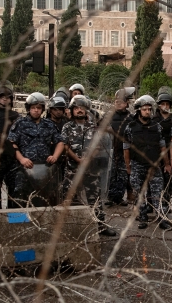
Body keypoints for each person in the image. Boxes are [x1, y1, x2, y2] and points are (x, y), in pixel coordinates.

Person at [61, 95, 117, 236]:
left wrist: (88, 158)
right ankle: (71, 227)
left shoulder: (93, 127)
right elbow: (65, 146)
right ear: (72, 110)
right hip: (73, 170)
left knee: (95, 199)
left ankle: (101, 226)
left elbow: (99, 145)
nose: (80, 110)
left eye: (82, 108)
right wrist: (78, 160)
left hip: (91, 170)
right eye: (77, 108)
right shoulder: (67, 127)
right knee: (70, 198)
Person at [8, 92, 64, 207]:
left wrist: (55, 156)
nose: (36, 110)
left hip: (44, 170)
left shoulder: (49, 124)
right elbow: (11, 144)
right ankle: (19, 224)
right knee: (20, 198)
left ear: (43, 109)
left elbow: (60, 142)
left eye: (38, 108)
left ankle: (43, 223)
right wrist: (22, 159)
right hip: (24, 169)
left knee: (44, 198)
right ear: (28, 109)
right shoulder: (20, 123)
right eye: (33, 108)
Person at [124, 95, 171, 230]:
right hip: (137, 165)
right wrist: (128, 166)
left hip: (154, 166)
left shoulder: (157, 127)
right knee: (139, 195)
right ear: (139, 110)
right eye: (145, 109)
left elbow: (163, 147)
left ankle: (161, 218)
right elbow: (126, 149)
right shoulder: (130, 127)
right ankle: (143, 217)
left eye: (150, 109)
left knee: (157, 193)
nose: (148, 112)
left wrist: (166, 163)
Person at [107, 87, 135, 207]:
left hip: (125, 151)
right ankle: (110, 197)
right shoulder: (109, 117)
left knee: (123, 175)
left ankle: (119, 197)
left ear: (126, 103)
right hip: (111, 150)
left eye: (122, 102)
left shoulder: (130, 118)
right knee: (112, 173)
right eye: (117, 101)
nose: (119, 104)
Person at [156, 87, 172, 216]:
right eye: (162, 104)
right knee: (156, 181)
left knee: (169, 180)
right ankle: (155, 204)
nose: (165, 106)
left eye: (167, 104)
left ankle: (166, 203)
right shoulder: (154, 119)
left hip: (170, 152)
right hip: (156, 155)